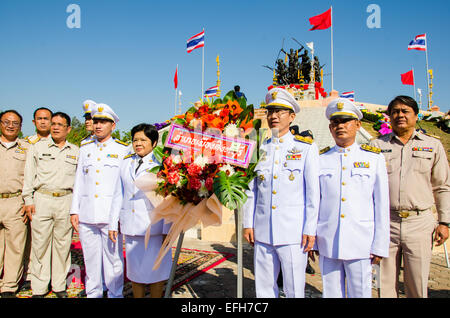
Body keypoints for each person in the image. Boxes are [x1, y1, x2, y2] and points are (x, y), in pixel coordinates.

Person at [243, 87, 320, 298]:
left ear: (292, 116)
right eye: (270, 111)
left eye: (280, 111)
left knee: (294, 288)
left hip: (293, 233)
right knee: (264, 288)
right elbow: (252, 190)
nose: (274, 116)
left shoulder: (306, 148)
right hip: (263, 230)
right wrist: (248, 223)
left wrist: (310, 229)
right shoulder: (259, 148)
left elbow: (313, 193)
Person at [370, 95, 450, 298]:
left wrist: (444, 222)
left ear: (416, 116)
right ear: (389, 116)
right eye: (395, 111)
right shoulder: (376, 146)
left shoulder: (432, 146)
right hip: (386, 222)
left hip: (419, 222)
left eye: (405, 111)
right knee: (385, 285)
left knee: (417, 283)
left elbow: (442, 186)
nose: (400, 115)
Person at [311, 98, 390, 298]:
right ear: (330, 128)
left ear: (358, 125)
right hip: (328, 240)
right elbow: (314, 202)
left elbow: (381, 204)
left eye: (346, 121)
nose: (340, 126)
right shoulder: (320, 159)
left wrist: (379, 244)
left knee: (361, 292)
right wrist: (315, 241)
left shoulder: (373, 158)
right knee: (331, 292)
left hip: (361, 242)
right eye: (336, 122)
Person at [70, 103, 129, 298]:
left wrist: (121, 214)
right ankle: (93, 293)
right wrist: (74, 210)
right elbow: (79, 180)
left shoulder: (122, 149)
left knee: (113, 260)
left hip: (110, 215)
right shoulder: (85, 148)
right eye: (96, 121)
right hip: (87, 213)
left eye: (103, 122)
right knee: (91, 259)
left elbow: (124, 184)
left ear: (113, 126)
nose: (98, 125)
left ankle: (115, 294)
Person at [108, 123, 172, 298]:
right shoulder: (126, 163)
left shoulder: (163, 164)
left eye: (143, 140)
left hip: (154, 229)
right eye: (135, 140)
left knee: (156, 274)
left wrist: (168, 230)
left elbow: (170, 201)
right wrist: (113, 223)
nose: (138, 143)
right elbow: (117, 194)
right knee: (135, 273)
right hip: (131, 226)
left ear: (154, 142)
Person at [22, 112, 79, 298]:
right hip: (42, 199)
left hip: (65, 199)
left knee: (63, 245)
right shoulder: (37, 148)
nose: (55, 127)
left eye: (60, 124)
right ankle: (39, 287)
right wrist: (28, 200)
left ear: (68, 129)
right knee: (40, 246)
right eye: (53, 123)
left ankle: (59, 285)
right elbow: (29, 177)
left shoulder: (75, 151)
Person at [0, 110, 29, 298]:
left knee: (15, 246)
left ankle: (9, 286)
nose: (11, 125)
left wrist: (27, 202)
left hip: (15, 200)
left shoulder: (27, 148)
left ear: (21, 126)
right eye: (7, 122)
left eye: (15, 123)